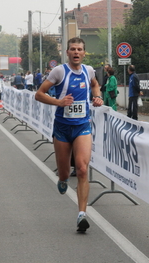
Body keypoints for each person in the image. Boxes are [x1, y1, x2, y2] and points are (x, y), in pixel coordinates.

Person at [35, 37, 103, 232]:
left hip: (82, 126)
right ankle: (63, 179)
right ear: (67, 53)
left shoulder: (88, 70)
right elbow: (39, 94)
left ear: (84, 53)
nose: (76, 52)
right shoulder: (59, 71)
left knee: (82, 168)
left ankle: (82, 214)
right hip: (62, 128)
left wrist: (97, 97)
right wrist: (59, 102)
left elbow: (95, 85)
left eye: (79, 49)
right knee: (64, 172)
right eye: (72, 49)